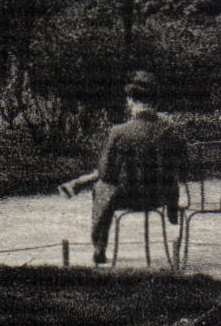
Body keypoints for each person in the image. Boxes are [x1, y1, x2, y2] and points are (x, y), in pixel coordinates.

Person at [59, 70, 188, 264]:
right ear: (154, 101)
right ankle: (172, 219)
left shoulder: (119, 132)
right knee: (107, 181)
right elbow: (184, 165)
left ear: (130, 100)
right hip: (162, 196)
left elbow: (105, 172)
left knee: (102, 188)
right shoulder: (171, 129)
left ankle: (99, 247)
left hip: (130, 197)